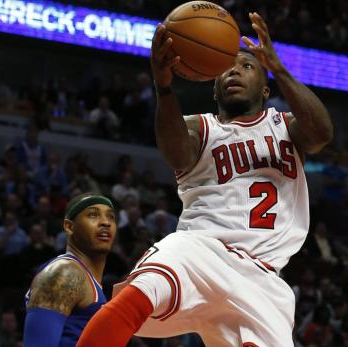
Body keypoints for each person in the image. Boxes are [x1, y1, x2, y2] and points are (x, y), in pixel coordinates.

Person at [77, 11, 333, 347]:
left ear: (266, 87)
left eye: (246, 66)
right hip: (200, 249)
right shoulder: (200, 127)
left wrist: (280, 68)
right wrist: (163, 87)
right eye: (225, 68)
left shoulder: (286, 125)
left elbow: (321, 134)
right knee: (139, 296)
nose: (234, 72)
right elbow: (176, 154)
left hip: (263, 278)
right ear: (212, 86)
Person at [23, 193, 117, 346]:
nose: (105, 222)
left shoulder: (86, 279)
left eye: (111, 217)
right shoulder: (64, 273)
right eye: (93, 215)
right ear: (69, 226)